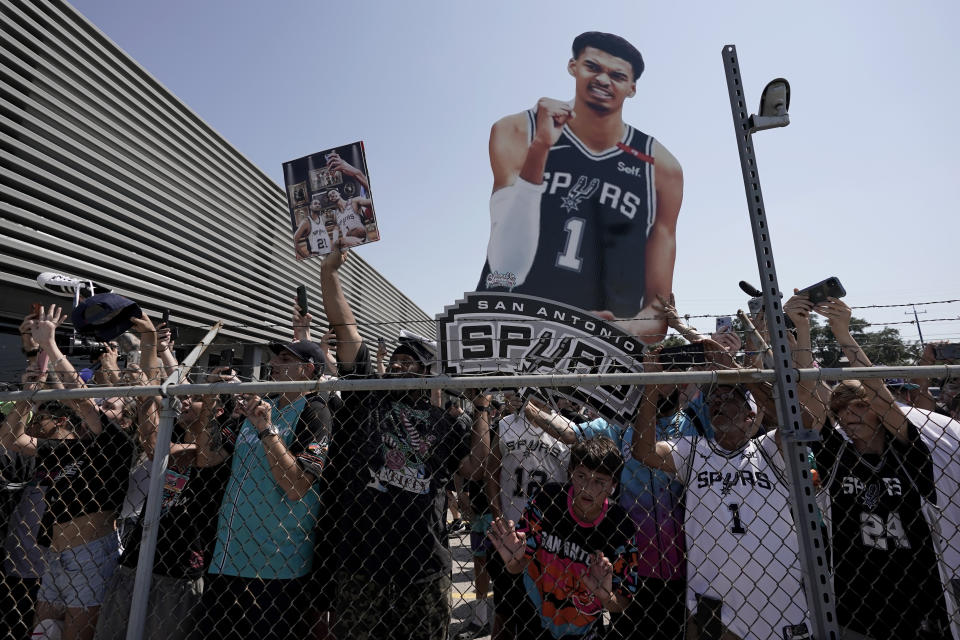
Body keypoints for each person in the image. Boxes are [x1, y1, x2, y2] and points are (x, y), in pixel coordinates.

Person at [319, 241, 490, 640]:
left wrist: (482, 407)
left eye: (411, 361)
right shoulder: (371, 396)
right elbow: (348, 334)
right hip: (363, 559)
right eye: (397, 358)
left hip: (423, 565)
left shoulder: (447, 421)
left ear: (428, 374)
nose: (399, 364)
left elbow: (476, 467)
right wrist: (329, 274)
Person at [476, 31, 683, 344]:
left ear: (632, 87)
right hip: (513, 336)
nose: (603, 80)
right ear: (572, 66)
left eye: (616, 75)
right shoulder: (518, 130)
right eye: (593, 67)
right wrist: (541, 148)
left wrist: (613, 330)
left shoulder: (661, 168)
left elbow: (657, 310)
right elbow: (503, 267)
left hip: (602, 354)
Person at [800, 295, 954, 639]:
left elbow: (880, 394)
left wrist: (844, 334)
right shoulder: (837, 454)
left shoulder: (906, 451)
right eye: (840, 412)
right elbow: (807, 393)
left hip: (919, 600)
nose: (847, 418)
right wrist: (802, 328)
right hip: (857, 603)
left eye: (857, 408)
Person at [633, 350, 811, 640]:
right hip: (711, 598)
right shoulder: (694, 449)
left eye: (728, 398)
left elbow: (799, 420)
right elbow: (643, 451)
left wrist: (744, 375)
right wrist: (652, 385)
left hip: (778, 597)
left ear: (750, 413)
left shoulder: (768, 449)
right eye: (712, 399)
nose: (717, 402)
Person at [2, 306, 135, 640]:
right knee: (44, 633)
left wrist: (50, 346)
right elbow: (12, 438)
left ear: (125, 420)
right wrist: (28, 396)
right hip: (55, 557)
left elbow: (83, 401)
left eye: (113, 406)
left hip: (90, 556)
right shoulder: (67, 447)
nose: (105, 407)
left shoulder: (117, 447)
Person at [196, 340, 332, 640]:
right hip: (228, 555)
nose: (275, 363)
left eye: (285, 358)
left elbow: (296, 487)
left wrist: (266, 429)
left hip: (276, 563)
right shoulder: (258, 406)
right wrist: (209, 401)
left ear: (307, 369)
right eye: (275, 357)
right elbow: (207, 457)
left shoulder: (315, 411)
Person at [487, 437, 638, 639]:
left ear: (613, 485)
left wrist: (605, 595)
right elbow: (518, 565)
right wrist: (513, 561)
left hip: (584, 629)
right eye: (581, 476)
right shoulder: (546, 500)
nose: (587, 487)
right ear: (571, 474)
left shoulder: (620, 526)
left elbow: (623, 601)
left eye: (599, 481)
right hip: (533, 619)